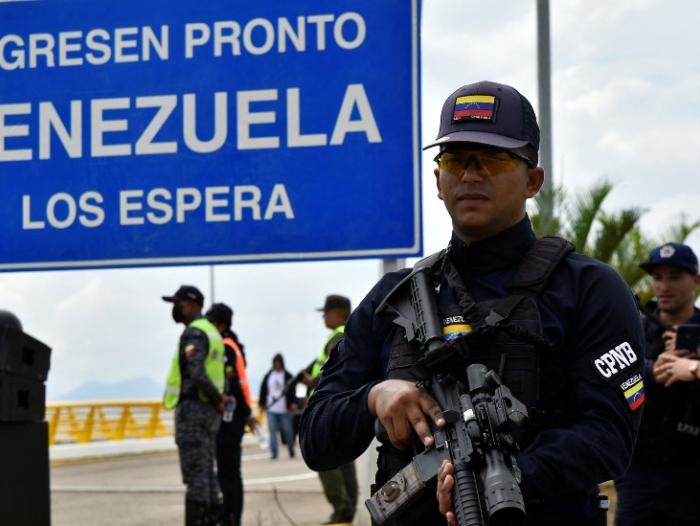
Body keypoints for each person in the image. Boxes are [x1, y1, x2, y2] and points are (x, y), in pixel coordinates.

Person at [300, 80, 645, 526]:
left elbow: (609, 437)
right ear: (438, 182)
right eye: (456, 159)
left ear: (533, 180)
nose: (472, 174)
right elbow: (316, 439)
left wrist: (504, 477)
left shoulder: (589, 289)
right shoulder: (393, 299)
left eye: (495, 158)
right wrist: (373, 398)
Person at [614, 243, 700, 526]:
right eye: (658, 277)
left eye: (675, 276)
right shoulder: (631, 328)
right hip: (639, 470)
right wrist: (653, 371)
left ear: (696, 281)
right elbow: (609, 378)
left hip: (692, 471)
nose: (664, 286)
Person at [162, 285, 233, 526]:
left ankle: (199, 521)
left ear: (192, 305)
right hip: (209, 412)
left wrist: (217, 400)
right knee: (206, 471)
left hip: (194, 410)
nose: (175, 309)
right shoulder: (212, 331)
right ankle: (215, 519)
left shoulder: (194, 332)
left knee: (196, 475)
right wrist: (219, 400)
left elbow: (197, 373)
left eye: (178, 304)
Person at [303, 295, 358, 525]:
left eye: (326, 312)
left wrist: (311, 382)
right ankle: (347, 508)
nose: (324, 316)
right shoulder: (349, 334)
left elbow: (331, 372)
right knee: (343, 459)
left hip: (329, 407)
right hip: (341, 405)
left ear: (338, 312)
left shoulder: (338, 336)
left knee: (326, 459)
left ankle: (341, 508)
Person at [206, 302, 255, 526]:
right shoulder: (233, 345)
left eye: (211, 321)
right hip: (236, 417)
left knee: (227, 474)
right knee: (232, 473)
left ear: (222, 324)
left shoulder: (224, 347)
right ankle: (233, 516)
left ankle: (229, 517)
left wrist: (245, 413)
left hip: (229, 418)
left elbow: (233, 385)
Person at [258, 353, 296, 459]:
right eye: (276, 363)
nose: (277, 365)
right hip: (271, 409)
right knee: (272, 433)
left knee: (288, 431)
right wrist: (261, 403)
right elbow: (263, 390)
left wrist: (293, 403)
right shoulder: (268, 376)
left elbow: (293, 391)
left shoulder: (288, 375)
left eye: (279, 363)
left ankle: (291, 449)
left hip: (285, 409)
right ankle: (274, 453)